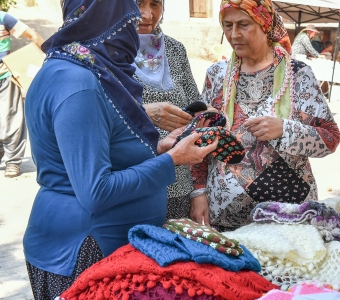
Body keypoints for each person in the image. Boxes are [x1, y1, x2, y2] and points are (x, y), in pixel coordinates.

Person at [22, 1, 217, 298]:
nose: (138, 22)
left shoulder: (71, 66)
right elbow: (96, 191)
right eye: (128, 17)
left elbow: (99, 149)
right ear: (107, 20)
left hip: (86, 244)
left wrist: (157, 148)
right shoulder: (80, 83)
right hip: (83, 250)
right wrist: (171, 160)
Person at [191, 0, 340, 231]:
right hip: (224, 216)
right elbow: (201, 138)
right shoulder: (217, 75)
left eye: (243, 24)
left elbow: (330, 138)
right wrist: (198, 192)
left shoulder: (298, 75)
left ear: (264, 24)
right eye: (227, 25)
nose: (234, 34)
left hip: (288, 215)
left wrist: (285, 129)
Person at [134, 0, 205, 220]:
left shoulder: (175, 50)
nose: (147, 14)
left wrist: (197, 191)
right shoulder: (108, 52)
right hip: (133, 185)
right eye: (137, 3)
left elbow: (196, 119)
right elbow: (100, 115)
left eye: (155, 3)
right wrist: (144, 112)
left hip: (178, 184)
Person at [0, 11, 44, 178]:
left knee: (12, 118)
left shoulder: (4, 18)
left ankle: (13, 161)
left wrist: (47, 58)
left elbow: (32, 35)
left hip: (4, 75)